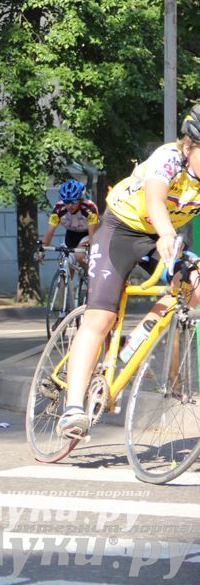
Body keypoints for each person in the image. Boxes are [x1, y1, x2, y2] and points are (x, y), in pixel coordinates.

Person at [57, 106, 200, 439]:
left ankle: (134, 348)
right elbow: (154, 200)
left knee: (193, 286)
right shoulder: (169, 158)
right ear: (190, 145)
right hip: (120, 230)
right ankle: (73, 408)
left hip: (159, 238)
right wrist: (165, 233)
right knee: (101, 317)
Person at [33, 179, 99, 271]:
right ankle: (66, 283)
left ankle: (90, 278)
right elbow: (49, 232)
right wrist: (41, 250)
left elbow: (93, 237)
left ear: (80, 199)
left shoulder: (90, 208)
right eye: (66, 201)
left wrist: (91, 251)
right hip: (71, 235)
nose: (70, 205)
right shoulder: (58, 209)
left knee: (80, 255)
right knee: (65, 263)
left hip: (87, 234)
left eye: (74, 201)